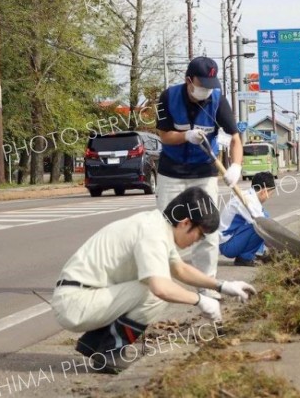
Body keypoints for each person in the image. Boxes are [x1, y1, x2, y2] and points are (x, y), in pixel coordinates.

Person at [51, 187, 256, 374]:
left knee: (157, 285)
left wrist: (223, 286)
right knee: (153, 292)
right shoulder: (153, 234)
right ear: (185, 223)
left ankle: (95, 344)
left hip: (85, 296)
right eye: (200, 235)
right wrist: (200, 301)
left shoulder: (157, 226)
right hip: (75, 302)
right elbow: (160, 288)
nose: (198, 241)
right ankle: (109, 353)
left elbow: (180, 269)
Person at [155, 56, 243, 300]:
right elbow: (164, 135)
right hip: (171, 171)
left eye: (210, 84)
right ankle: (159, 284)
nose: (206, 89)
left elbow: (235, 137)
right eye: (201, 84)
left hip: (204, 171)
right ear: (188, 80)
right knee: (165, 227)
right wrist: (185, 136)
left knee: (207, 229)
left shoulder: (217, 99)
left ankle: (207, 285)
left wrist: (236, 165)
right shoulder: (167, 98)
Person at [219, 172, 275, 266]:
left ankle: (256, 254)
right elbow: (265, 230)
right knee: (260, 226)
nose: (269, 197)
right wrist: (279, 247)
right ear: (264, 191)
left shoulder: (249, 196)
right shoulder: (248, 201)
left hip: (233, 239)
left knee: (264, 215)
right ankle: (245, 258)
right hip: (227, 245)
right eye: (270, 193)